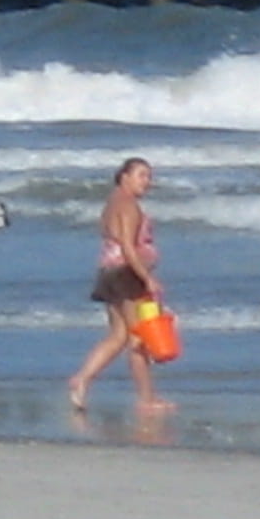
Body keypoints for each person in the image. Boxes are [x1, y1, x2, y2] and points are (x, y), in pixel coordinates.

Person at [66, 157, 172, 417]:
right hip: (126, 275)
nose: (147, 182)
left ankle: (82, 379)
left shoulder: (112, 202)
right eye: (141, 175)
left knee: (118, 335)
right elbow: (127, 245)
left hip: (109, 272)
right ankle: (147, 400)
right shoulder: (128, 206)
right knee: (138, 339)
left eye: (149, 176)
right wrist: (147, 278)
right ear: (124, 176)